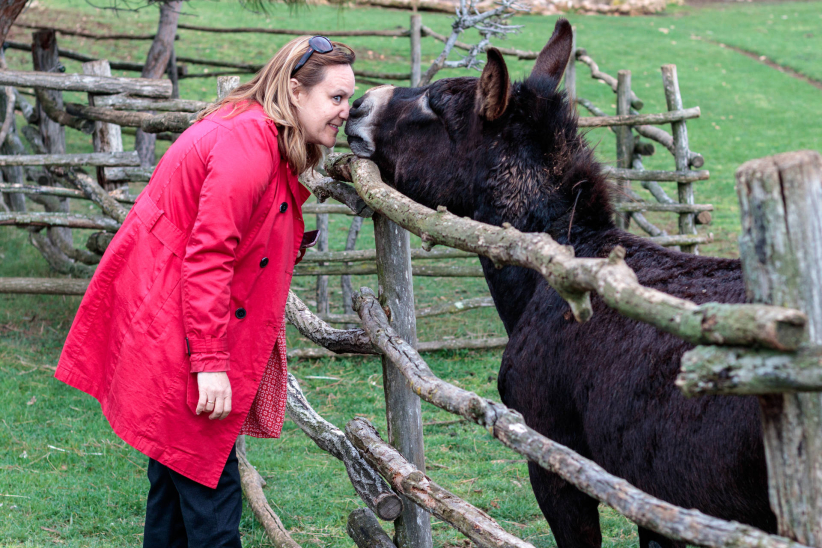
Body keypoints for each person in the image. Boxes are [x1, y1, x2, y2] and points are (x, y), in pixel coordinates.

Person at [54, 36, 356, 547]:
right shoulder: (247, 145)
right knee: (209, 496)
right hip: (179, 331)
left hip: (171, 319)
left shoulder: (255, 131)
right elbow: (210, 256)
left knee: (175, 488)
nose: (345, 111)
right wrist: (210, 363)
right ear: (294, 91)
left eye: (348, 99)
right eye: (336, 98)